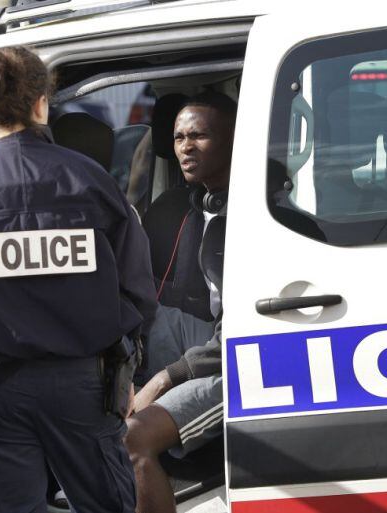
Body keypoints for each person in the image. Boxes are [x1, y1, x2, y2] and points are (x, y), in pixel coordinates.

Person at [0, 46, 157, 513]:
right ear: (42, 102)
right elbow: (138, 292)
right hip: (85, 387)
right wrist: (128, 373)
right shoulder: (92, 181)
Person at [125, 91, 236, 513]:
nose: (185, 147)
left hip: (243, 356)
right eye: (178, 137)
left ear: (232, 138)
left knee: (133, 437)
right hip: (208, 339)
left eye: (199, 136)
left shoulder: (253, 215)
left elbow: (238, 332)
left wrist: (164, 379)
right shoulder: (186, 207)